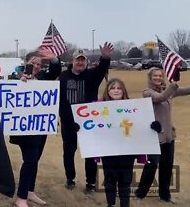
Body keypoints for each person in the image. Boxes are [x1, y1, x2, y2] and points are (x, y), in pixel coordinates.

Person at [59, 43, 113, 193]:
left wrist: (105, 58)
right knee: (69, 151)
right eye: (78, 60)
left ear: (86, 62)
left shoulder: (91, 75)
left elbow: (102, 69)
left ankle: (90, 183)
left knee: (90, 152)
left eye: (83, 60)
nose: (80, 62)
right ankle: (70, 179)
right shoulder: (63, 77)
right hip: (68, 122)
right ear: (72, 61)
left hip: (88, 121)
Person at [78, 78, 140, 207]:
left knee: (125, 180)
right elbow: (90, 126)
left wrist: (153, 126)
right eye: (113, 88)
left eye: (119, 88)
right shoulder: (98, 107)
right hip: (108, 150)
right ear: (107, 91)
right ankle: (110, 204)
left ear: (124, 90)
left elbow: (141, 125)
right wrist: (79, 126)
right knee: (110, 179)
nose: (116, 90)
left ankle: (125, 204)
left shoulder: (134, 107)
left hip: (127, 150)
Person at [13, 48, 62, 207]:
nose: (36, 66)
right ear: (25, 63)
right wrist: (21, 80)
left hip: (41, 126)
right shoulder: (16, 78)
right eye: (33, 63)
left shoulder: (43, 78)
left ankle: (30, 190)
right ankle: (21, 197)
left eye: (39, 64)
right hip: (24, 128)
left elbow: (55, 70)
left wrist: (54, 59)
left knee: (35, 160)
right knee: (31, 160)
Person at [135, 68, 190, 203]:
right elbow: (161, 98)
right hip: (155, 136)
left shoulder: (168, 90)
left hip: (169, 136)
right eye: (155, 76)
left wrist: (174, 85)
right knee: (152, 165)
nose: (158, 78)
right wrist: (173, 85)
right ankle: (140, 194)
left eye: (160, 75)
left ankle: (165, 196)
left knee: (167, 166)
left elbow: (186, 90)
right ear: (150, 78)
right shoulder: (147, 92)